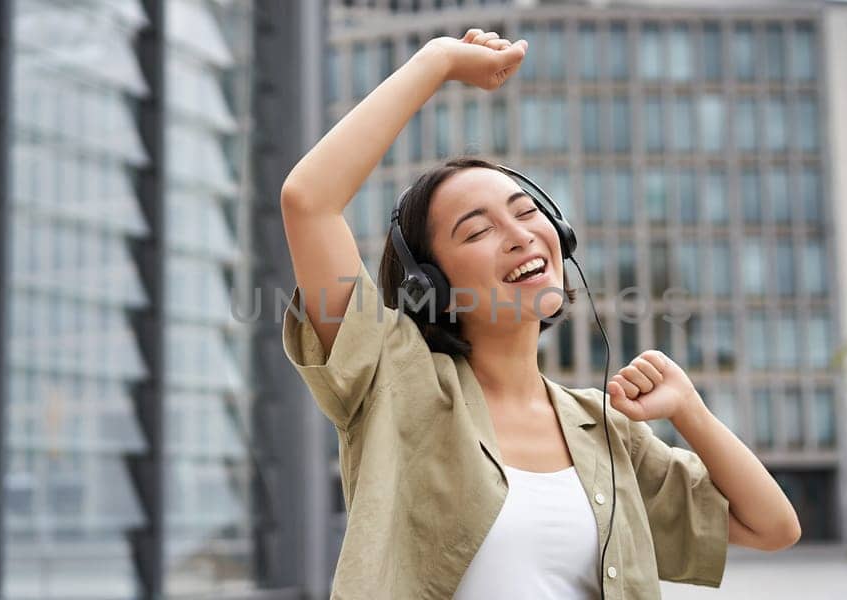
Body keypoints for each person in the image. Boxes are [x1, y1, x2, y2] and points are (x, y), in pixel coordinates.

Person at [279, 28, 800, 599]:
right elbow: (308, 202)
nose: (520, 236)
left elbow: (772, 526)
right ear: (432, 284)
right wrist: (439, 60)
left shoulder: (604, 431)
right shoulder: (395, 380)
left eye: (527, 213)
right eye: (477, 230)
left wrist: (689, 410)